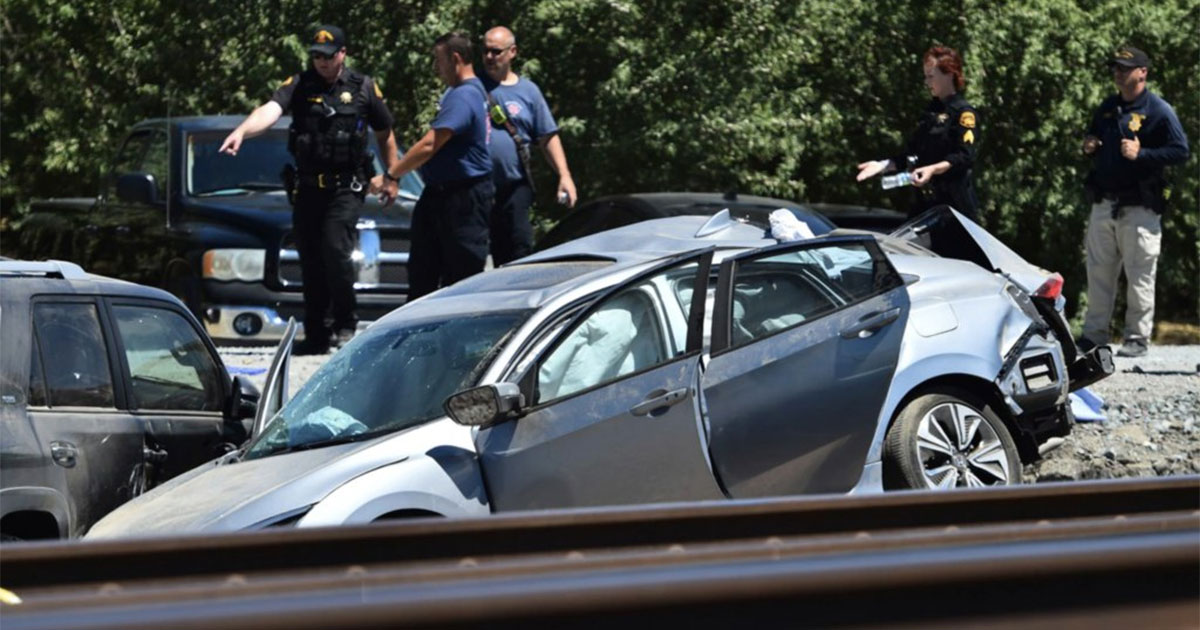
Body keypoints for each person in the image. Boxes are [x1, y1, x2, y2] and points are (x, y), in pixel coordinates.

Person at [220, 24, 400, 355]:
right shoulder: (300, 85)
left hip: (346, 188)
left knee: (335, 249)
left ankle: (345, 323)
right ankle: (316, 333)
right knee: (311, 260)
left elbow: (385, 131)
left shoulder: (363, 88)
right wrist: (243, 131)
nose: (322, 62)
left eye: (328, 57)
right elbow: (271, 111)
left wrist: (392, 175)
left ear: (343, 54)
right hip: (307, 189)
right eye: (316, 56)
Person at [1077, 46, 1189, 358]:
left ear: (1143, 72)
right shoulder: (1108, 107)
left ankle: (1137, 338)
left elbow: (1181, 151)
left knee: (1139, 275)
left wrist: (1144, 155)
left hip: (1140, 206)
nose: (1118, 72)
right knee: (1098, 273)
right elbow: (1093, 135)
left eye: (1125, 68)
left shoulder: (1158, 110)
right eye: (1116, 67)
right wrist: (1090, 145)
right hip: (1104, 203)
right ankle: (1093, 335)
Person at [369, 32, 493, 300]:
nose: (437, 69)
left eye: (439, 61)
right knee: (423, 272)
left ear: (456, 59)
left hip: (462, 199)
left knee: (461, 278)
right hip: (442, 194)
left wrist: (391, 174)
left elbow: (430, 144)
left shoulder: (464, 95)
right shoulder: (464, 92)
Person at [480, 26, 577, 265]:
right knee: (472, 255)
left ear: (512, 52)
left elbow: (547, 137)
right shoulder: (472, 88)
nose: (490, 57)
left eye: (496, 51)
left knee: (518, 250)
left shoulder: (528, 92)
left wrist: (564, 175)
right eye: (485, 51)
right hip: (477, 188)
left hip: (514, 187)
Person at [856, 46, 980, 222]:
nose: (927, 82)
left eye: (931, 76)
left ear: (949, 74)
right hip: (925, 207)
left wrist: (932, 169)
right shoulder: (929, 114)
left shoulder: (963, 114)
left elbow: (964, 156)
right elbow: (911, 154)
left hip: (953, 211)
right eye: (926, 76)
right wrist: (882, 165)